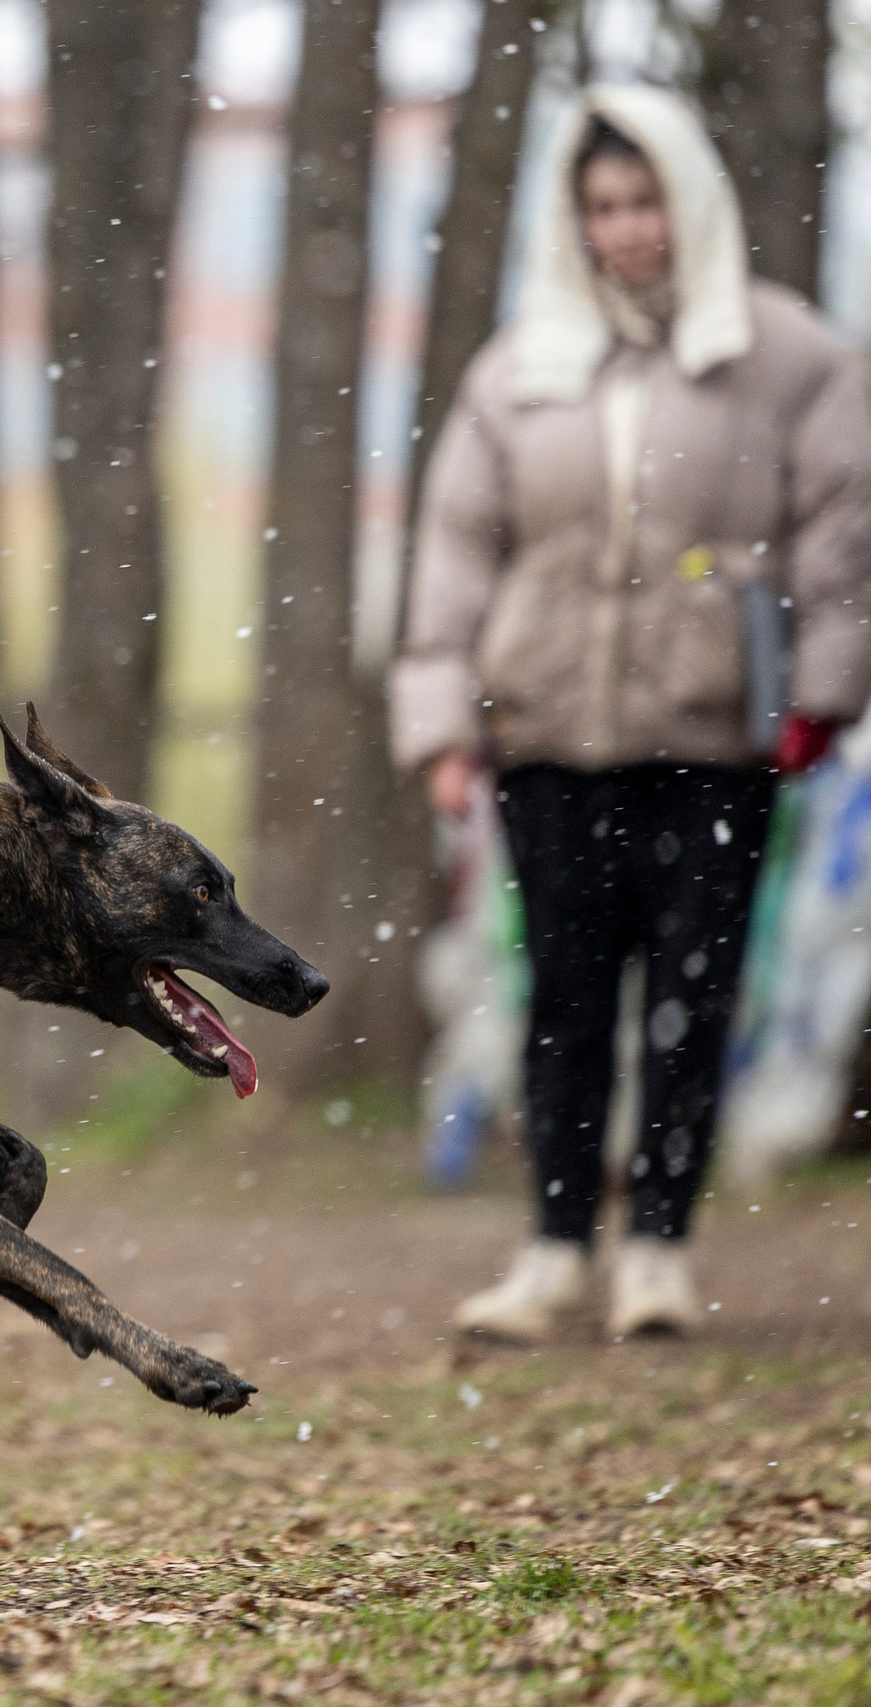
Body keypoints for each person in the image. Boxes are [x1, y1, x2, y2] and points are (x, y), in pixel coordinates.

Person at [392, 85, 871, 1341]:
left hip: (719, 744)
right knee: (561, 998)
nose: (627, 228)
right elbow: (455, 553)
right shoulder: (516, 373)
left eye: (646, 200)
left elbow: (840, 537)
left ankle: (657, 1247)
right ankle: (555, 1248)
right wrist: (443, 726)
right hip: (548, 741)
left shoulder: (789, 357)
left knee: (693, 996)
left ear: (689, 201)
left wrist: (822, 693)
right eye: (602, 205)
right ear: (575, 221)